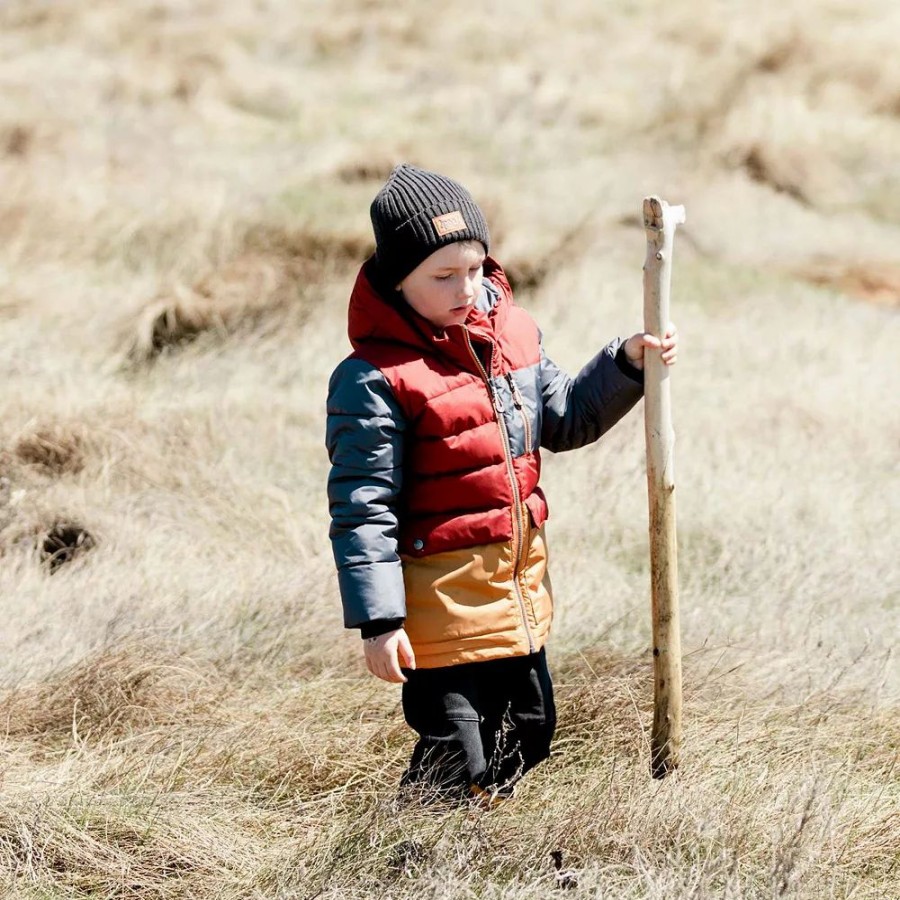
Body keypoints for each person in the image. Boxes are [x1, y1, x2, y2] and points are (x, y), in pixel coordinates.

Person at [326, 163, 677, 803]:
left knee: (532, 732)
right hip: (436, 607)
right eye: (442, 276)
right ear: (398, 280)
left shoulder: (513, 336)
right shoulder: (374, 377)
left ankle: (472, 827)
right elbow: (362, 507)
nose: (467, 287)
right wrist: (378, 622)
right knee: (455, 749)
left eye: (476, 267)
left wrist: (627, 365)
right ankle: (411, 848)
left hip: (514, 590)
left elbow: (567, 418)